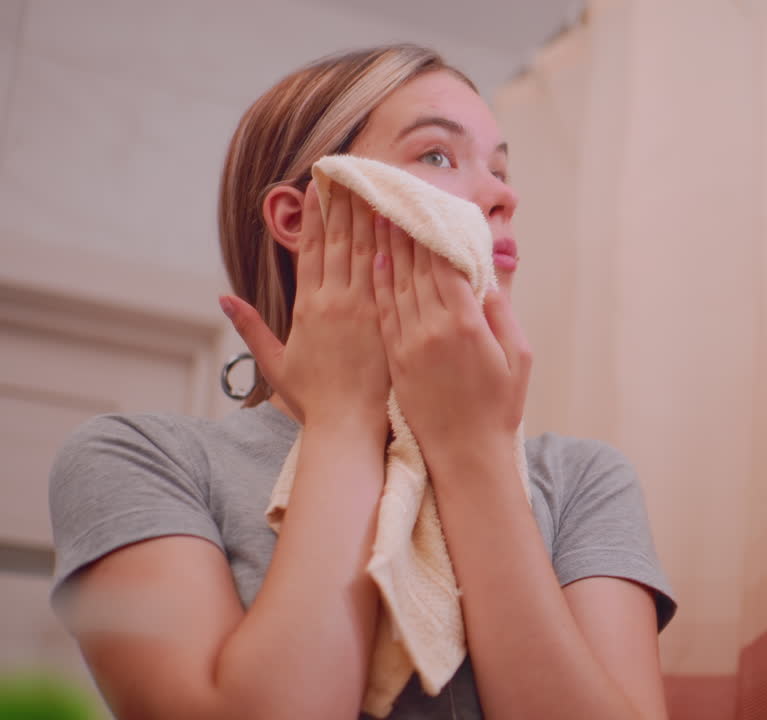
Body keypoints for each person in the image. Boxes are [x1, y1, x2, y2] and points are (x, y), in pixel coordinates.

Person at [47, 44, 675, 720]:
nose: (504, 195)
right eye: (437, 155)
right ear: (301, 217)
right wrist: (344, 420)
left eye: (499, 168)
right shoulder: (142, 460)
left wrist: (473, 453)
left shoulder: (582, 481)